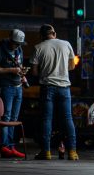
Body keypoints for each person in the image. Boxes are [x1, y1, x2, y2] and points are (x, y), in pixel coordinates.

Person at [31, 24, 78, 160]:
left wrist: (46, 72)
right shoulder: (66, 44)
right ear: (54, 33)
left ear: (41, 36)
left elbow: (34, 71)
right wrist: (61, 71)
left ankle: (46, 152)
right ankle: (72, 152)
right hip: (64, 87)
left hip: (47, 88)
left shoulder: (38, 47)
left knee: (47, 119)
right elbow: (72, 66)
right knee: (68, 119)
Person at [0, 29, 28, 158]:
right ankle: (4, 147)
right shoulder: (0, 49)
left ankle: (11, 147)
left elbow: (19, 64)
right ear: (10, 40)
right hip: (6, 87)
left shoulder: (19, 50)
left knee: (14, 118)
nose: (18, 46)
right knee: (6, 117)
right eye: (16, 43)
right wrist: (10, 70)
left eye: (20, 44)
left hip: (18, 87)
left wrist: (22, 74)